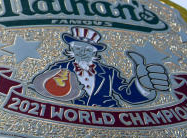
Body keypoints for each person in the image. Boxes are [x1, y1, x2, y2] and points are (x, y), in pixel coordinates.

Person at [30, 27, 169, 108]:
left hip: (109, 122)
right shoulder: (60, 67)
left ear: (94, 52)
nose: (83, 53)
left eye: (87, 49)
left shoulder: (109, 72)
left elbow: (127, 95)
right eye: (78, 48)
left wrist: (142, 86)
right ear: (71, 50)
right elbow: (42, 88)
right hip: (67, 119)